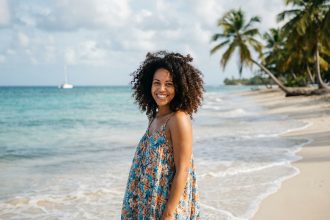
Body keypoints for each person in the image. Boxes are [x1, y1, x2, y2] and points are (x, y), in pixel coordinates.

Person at [121, 51, 204, 219]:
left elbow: (183, 169)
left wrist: (168, 213)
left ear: (180, 86)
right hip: (147, 201)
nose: (161, 89)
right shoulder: (154, 118)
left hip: (166, 204)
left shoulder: (178, 119)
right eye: (156, 83)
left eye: (169, 84)